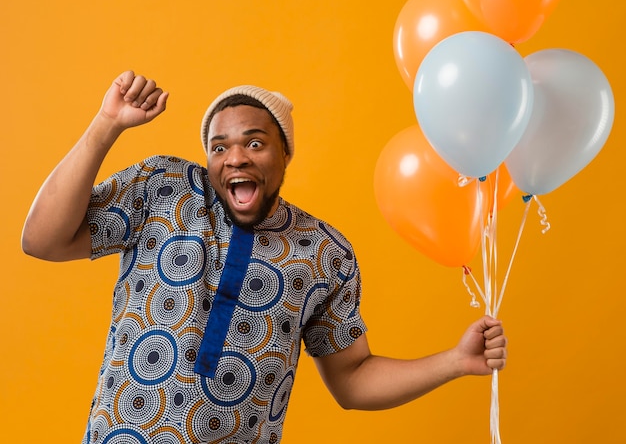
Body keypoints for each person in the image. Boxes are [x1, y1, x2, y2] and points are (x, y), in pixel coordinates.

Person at [22, 71, 507, 444]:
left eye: (255, 142)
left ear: (284, 154)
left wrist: (455, 362)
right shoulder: (162, 190)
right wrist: (106, 126)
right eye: (220, 147)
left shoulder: (324, 253)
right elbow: (42, 239)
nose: (235, 157)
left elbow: (353, 381)